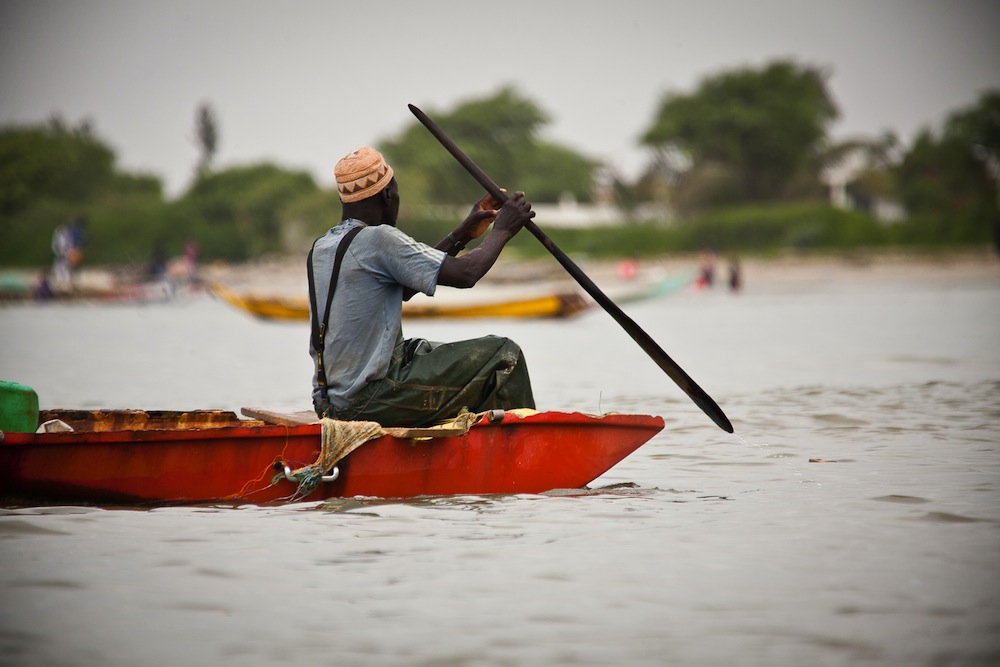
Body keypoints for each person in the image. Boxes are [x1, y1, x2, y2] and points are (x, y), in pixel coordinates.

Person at [308, 147, 537, 427]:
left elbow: (404, 288)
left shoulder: (324, 246)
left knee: (422, 349)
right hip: (368, 398)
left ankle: (477, 440)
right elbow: (467, 274)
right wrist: (503, 229)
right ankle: (523, 442)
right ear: (387, 195)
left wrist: (462, 233)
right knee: (502, 354)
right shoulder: (379, 239)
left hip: (330, 401)